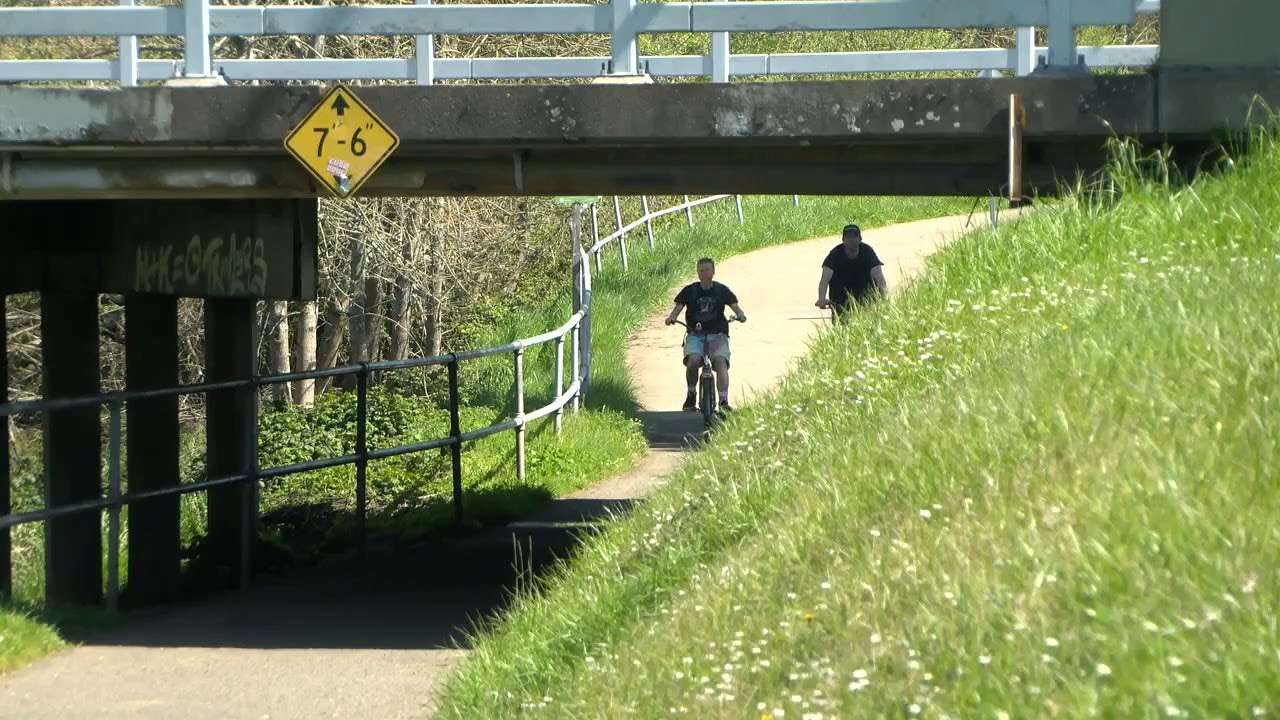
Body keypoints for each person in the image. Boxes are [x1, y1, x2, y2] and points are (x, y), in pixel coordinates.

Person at [664, 257, 747, 412]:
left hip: (718, 334)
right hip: (695, 334)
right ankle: (691, 394)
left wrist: (740, 315)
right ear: (698, 273)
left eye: (707, 270)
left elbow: (735, 306)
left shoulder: (721, 290)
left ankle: (723, 400)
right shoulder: (690, 290)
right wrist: (672, 317)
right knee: (693, 360)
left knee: (721, 363)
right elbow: (678, 307)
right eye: (701, 270)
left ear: (713, 272)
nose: (704, 273)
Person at [816, 223, 887, 318]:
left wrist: (884, 297)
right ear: (843, 240)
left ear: (860, 239)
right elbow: (824, 280)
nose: (851, 239)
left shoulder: (867, 252)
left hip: (866, 301)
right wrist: (821, 298)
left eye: (854, 236)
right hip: (840, 302)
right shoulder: (835, 254)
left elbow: (879, 276)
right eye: (848, 237)